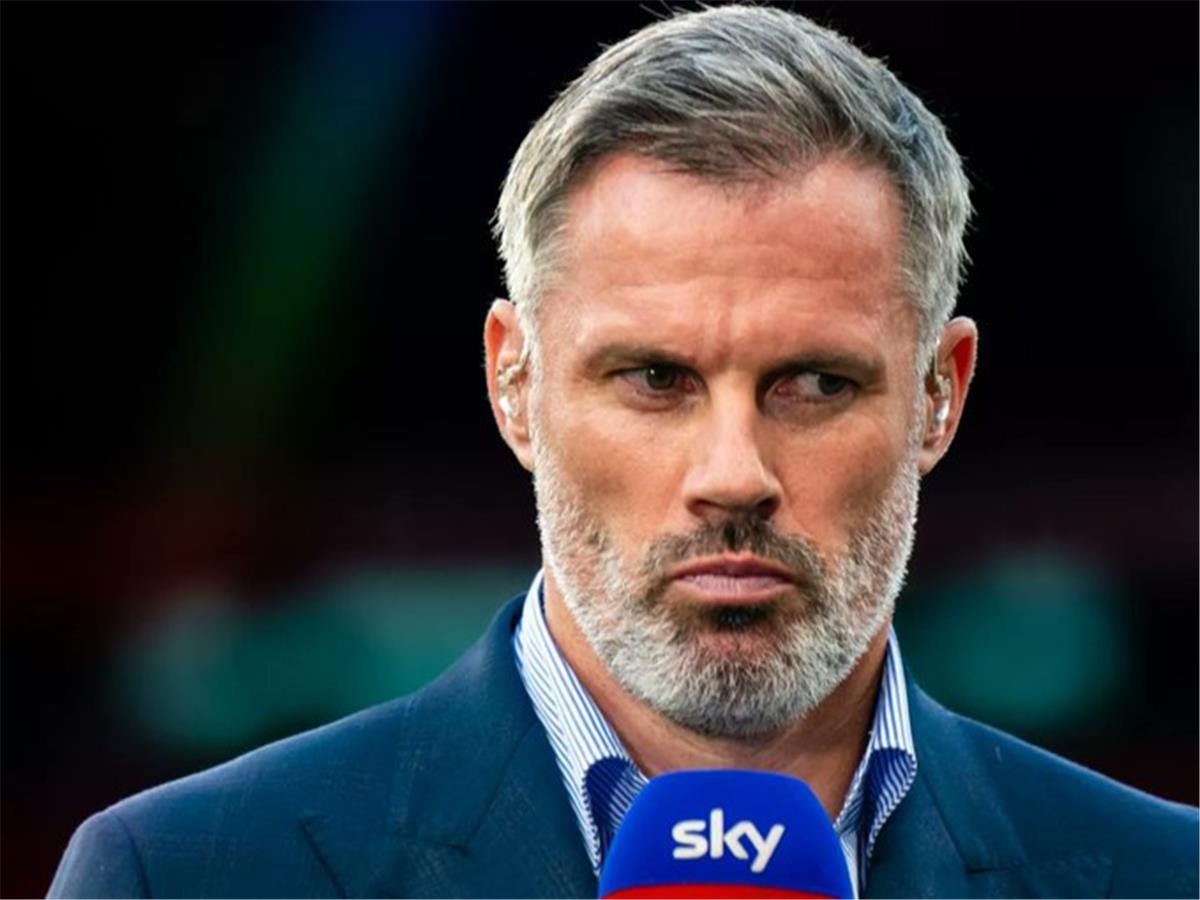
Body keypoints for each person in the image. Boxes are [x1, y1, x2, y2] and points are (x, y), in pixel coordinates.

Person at [49, 5, 1197, 898]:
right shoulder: (187, 876)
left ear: (941, 396)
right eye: (655, 380)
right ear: (514, 383)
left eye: (815, 383)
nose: (733, 474)